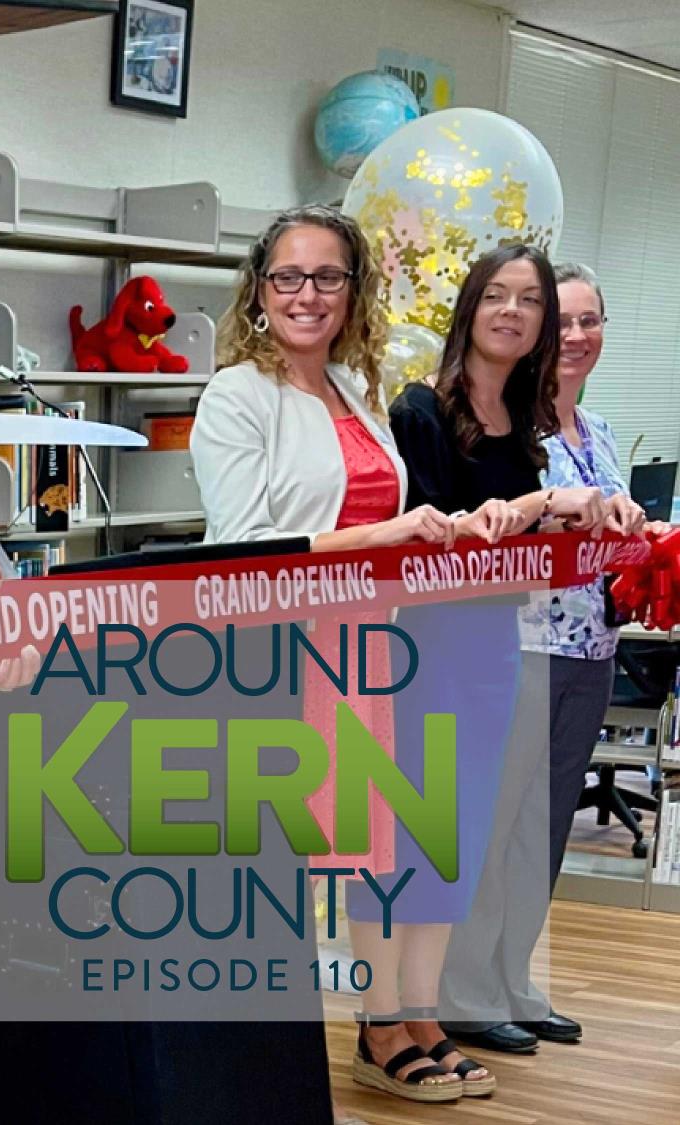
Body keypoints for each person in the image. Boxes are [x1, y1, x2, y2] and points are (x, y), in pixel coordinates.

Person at [192, 204, 463, 1108]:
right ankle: (266, 1057)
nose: (307, 295)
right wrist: (387, 533)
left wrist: (461, 528)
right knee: (287, 861)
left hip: (364, 645)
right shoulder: (237, 393)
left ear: (355, 291)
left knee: (366, 850)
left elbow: (385, 521)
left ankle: (375, 1023)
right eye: (287, 278)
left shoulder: (356, 387)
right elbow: (241, 548)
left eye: (328, 277)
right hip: (277, 655)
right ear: (259, 292)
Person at [372, 244, 611, 1083]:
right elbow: (427, 536)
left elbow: (514, 552)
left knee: (461, 838)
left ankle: (424, 1010)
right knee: (409, 831)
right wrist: (540, 507)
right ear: (470, 306)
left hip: (493, 645)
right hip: (423, 645)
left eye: (530, 301)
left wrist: (583, 526)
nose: (513, 312)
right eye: (498, 296)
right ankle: (382, 1020)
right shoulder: (419, 411)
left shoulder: (525, 421)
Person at [448, 263, 653, 1053]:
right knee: (496, 826)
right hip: (520, 643)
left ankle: (514, 982)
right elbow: (483, 531)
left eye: (589, 321)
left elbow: (608, 539)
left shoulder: (595, 431)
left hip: (591, 647)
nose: (575, 336)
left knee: (545, 829)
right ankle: (464, 991)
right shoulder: (508, 427)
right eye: (559, 320)